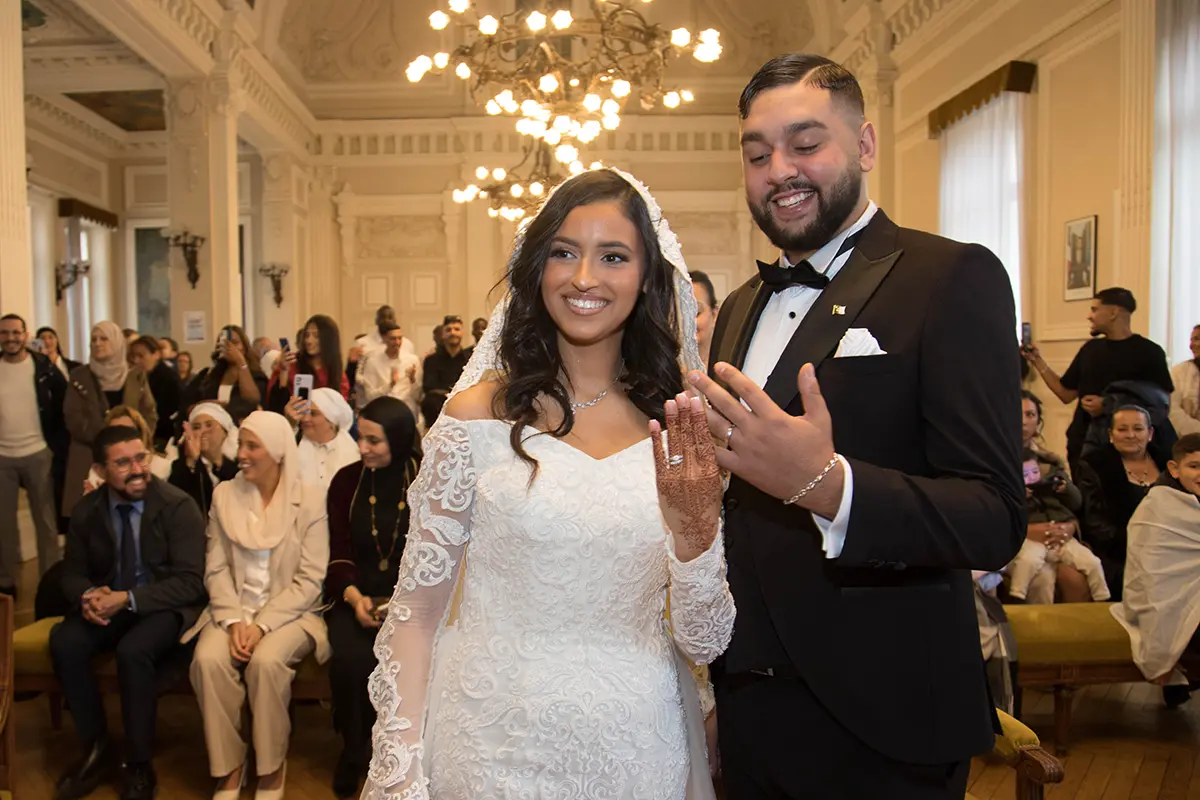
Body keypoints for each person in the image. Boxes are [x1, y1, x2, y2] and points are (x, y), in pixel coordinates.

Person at [688, 54, 1024, 798]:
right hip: (751, 708)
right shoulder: (740, 305)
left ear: (866, 146)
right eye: (757, 153)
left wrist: (826, 484)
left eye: (806, 144)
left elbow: (994, 517)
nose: (780, 170)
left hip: (883, 718)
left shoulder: (951, 278)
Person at [364, 168, 734, 799]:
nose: (584, 277)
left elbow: (704, 637)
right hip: (486, 745)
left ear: (647, 277)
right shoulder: (475, 418)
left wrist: (697, 530)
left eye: (613, 256)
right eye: (563, 252)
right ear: (537, 270)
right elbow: (417, 612)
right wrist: (397, 766)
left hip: (636, 749)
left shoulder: (680, 427)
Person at [50, 425, 206, 800]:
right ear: (101, 471)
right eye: (123, 463)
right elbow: (69, 572)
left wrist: (128, 598)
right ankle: (96, 746)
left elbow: (191, 582)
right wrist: (87, 595)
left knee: (134, 651)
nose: (137, 469)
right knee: (65, 640)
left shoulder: (177, 506)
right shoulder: (87, 509)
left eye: (141, 457)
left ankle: (138, 763)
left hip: (163, 606)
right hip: (110, 604)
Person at [185, 411, 330, 800]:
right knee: (208, 660)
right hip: (231, 611)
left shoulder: (310, 499)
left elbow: (310, 579)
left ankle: (270, 766)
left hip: (290, 615)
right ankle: (230, 767)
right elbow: (215, 569)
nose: (242, 453)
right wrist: (234, 621)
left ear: (279, 451)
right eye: (241, 444)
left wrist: (262, 624)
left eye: (253, 446)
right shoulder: (224, 495)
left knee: (266, 663)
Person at [325, 397, 420, 797]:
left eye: (373, 440)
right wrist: (354, 596)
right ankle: (353, 749)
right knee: (350, 661)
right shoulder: (346, 481)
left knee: (403, 663)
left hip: (413, 601)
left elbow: (434, 550)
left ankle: (400, 751)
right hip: (356, 597)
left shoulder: (423, 478)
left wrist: (402, 602)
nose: (362, 447)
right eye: (359, 437)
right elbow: (339, 548)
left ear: (397, 440)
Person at [1024, 287, 1174, 470]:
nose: (1089, 316)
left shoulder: (1149, 352)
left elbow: (1161, 403)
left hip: (1128, 450)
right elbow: (1065, 394)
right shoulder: (1090, 349)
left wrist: (1108, 404)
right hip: (1083, 444)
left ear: (1113, 312)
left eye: (1095, 309)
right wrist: (1037, 361)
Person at [1112, 432, 1200, 708]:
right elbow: (1149, 570)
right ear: (1174, 469)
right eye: (1195, 466)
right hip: (1165, 597)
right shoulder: (1159, 506)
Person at [1007, 391, 1109, 603]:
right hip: (1017, 542)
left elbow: (1074, 504)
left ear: (1038, 421)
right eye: (1017, 414)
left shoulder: (1050, 461)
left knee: (1078, 577)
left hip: (1057, 537)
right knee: (1041, 578)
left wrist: (1070, 526)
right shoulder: (995, 461)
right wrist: (1025, 531)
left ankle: (1079, 632)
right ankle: (1035, 634)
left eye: (1030, 415)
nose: (1023, 422)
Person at [0, 314, 67, 595]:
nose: (11, 338)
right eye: (4, 333)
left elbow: (63, 405)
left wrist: (56, 448)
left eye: (16, 332)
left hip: (39, 452)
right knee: (4, 525)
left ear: (26, 335)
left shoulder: (44, 368)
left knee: (45, 523)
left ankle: (50, 583)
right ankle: (6, 583)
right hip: (2, 456)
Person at [1076, 405, 1170, 600]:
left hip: (1168, 548)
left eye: (1138, 429)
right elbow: (1096, 524)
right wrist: (1140, 545)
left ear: (1149, 433)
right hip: (1117, 553)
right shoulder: (1092, 465)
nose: (1130, 435)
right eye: (1122, 429)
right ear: (1111, 434)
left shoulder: (1168, 463)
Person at [63, 322, 157, 517]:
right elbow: (73, 418)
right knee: (90, 516)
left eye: (104, 338)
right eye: (93, 339)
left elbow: (149, 413)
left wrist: (135, 440)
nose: (97, 343)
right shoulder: (79, 376)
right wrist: (109, 437)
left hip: (131, 455)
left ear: (117, 342)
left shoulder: (135, 375)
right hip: (89, 455)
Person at [183, 325, 267, 429]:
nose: (230, 347)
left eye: (235, 343)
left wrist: (240, 362)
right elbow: (187, 405)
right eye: (224, 343)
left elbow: (252, 400)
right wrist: (207, 404)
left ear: (244, 347)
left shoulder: (256, 376)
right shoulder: (208, 374)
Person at [267, 314, 350, 410]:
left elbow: (341, 407)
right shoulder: (291, 364)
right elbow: (276, 406)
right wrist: (284, 371)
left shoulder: (336, 371)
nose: (309, 341)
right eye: (306, 335)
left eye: (316, 336)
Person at [169, 403, 239, 516]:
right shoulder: (181, 467)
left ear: (224, 431)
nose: (203, 431)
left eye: (209, 425)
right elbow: (175, 500)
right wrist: (192, 460)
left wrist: (217, 461)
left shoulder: (238, 465)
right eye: (196, 427)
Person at [286, 387, 360, 489]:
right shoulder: (295, 443)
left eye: (313, 414)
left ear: (332, 421)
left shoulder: (353, 453)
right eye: (304, 413)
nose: (305, 419)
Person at [355, 323, 422, 419]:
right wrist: (390, 385)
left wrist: (412, 379)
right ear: (384, 339)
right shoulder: (373, 362)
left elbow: (417, 396)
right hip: (383, 411)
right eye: (393, 339)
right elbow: (370, 397)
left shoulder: (412, 361)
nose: (397, 342)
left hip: (406, 410)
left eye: (400, 338)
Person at [129, 335, 183, 450]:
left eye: (141, 356)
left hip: (161, 437)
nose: (136, 360)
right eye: (133, 356)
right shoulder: (135, 377)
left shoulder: (168, 378)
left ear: (156, 355)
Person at [420, 314, 471, 426]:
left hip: (464, 404)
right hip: (437, 405)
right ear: (443, 335)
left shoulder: (470, 359)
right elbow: (428, 386)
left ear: (462, 333)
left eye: (457, 329)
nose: (453, 333)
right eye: (448, 330)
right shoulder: (431, 360)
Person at [1169, 324, 1200, 437]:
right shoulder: (1180, 371)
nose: (1192, 345)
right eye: (1191, 340)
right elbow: (1173, 410)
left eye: (1197, 339)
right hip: (1187, 441)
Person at [690, 270, 720, 368]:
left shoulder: (732, 365)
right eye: (676, 314)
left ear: (714, 315)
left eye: (696, 313)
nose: (687, 323)